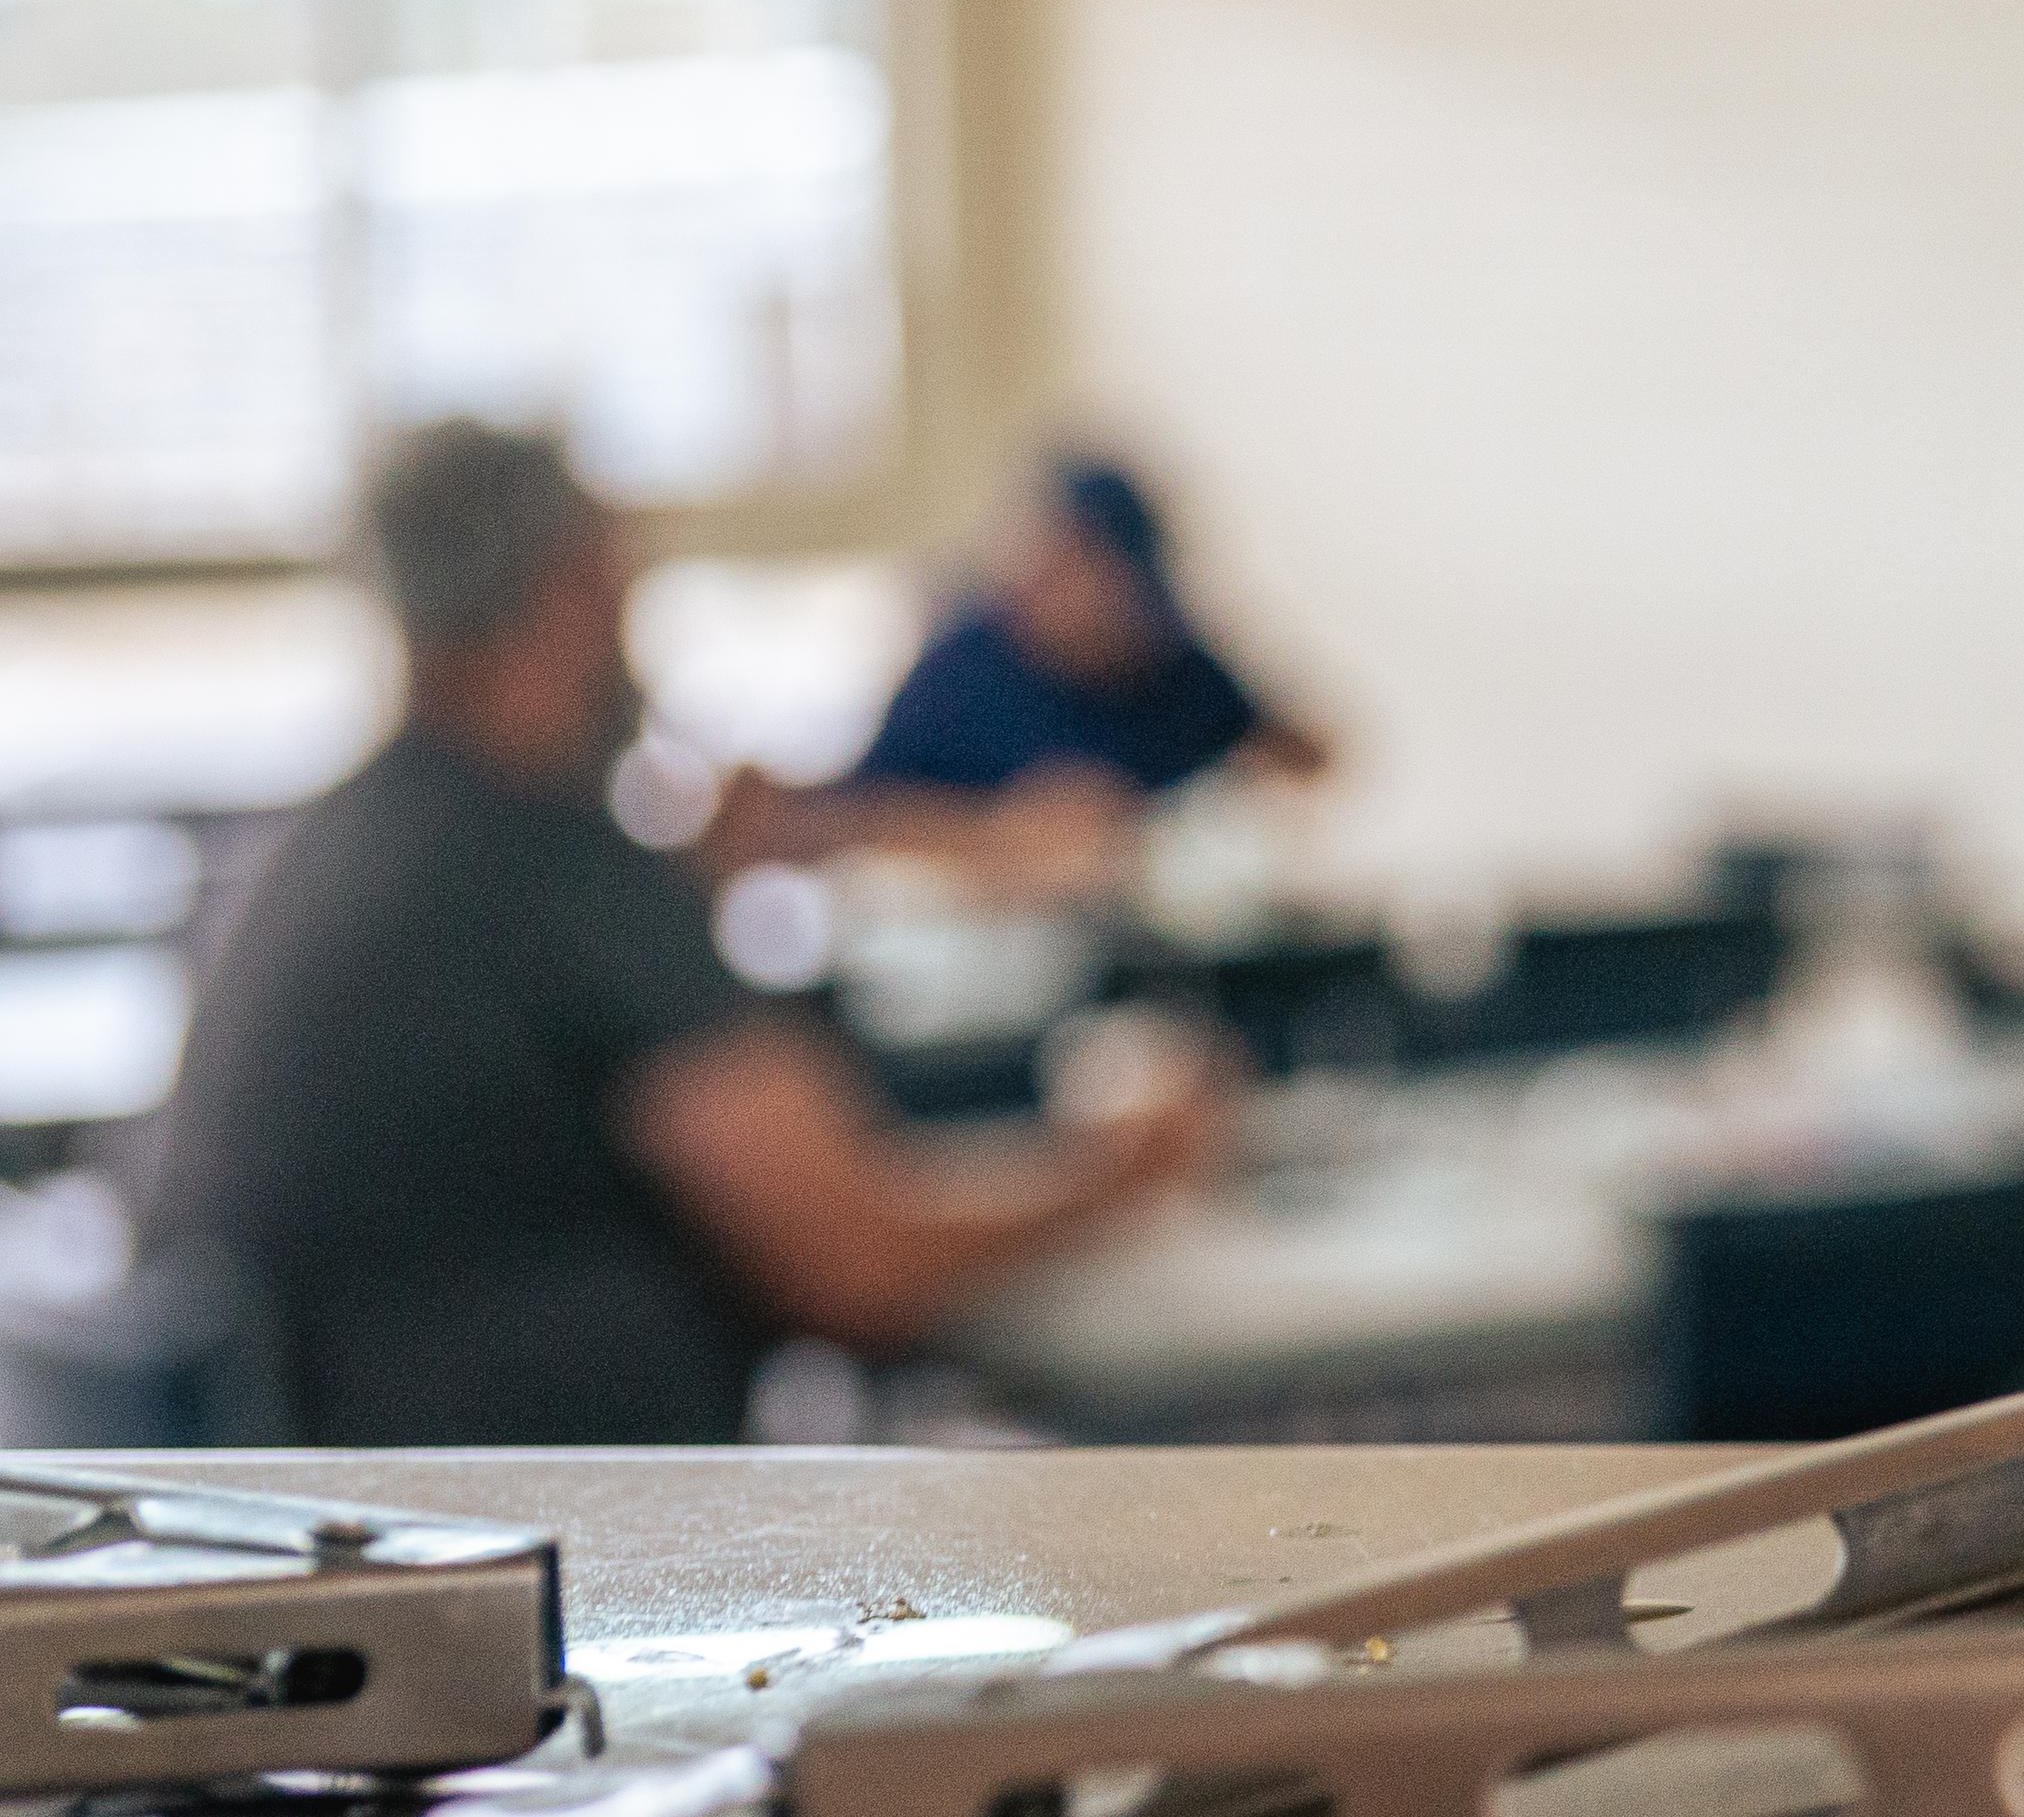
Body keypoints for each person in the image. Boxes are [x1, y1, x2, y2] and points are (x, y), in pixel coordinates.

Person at [145, 424, 1221, 1445]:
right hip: (543, 1545)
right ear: (574, 582)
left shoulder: (352, 843)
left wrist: (683, 900)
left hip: (350, 1513)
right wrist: (1124, 1169)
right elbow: (858, 1263)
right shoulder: (551, 861)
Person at [715, 455, 1333, 894]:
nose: (1038, 582)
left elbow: (1306, 759)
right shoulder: (965, 664)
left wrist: (1180, 822)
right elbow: (856, 813)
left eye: (1074, 564)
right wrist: (1000, 837)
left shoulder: (1174, 666)